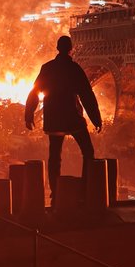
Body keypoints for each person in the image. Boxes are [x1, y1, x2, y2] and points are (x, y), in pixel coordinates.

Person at [25, 35, 102, 204]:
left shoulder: (47, 68)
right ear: (71, 49)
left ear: (57, 48)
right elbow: (87, 95)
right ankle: (85, 189)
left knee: (54, 155)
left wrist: (29, 113)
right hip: (72, 117)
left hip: (53, 119)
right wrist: (96, 119)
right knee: (88, 152)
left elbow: (35, 92)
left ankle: (55, 191)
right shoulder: (74, 69)